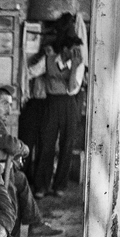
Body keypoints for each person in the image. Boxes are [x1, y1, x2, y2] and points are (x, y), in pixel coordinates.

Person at [0, 85, 63, 237]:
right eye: (5, 104)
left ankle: (35, 223)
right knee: (13, 187)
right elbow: (9, 144)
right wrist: (24, 149)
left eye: (10, 105)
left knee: (21, 178)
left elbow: (2, 145)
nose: (9, 110)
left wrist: (13, 158)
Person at [28, 13, 86, 198]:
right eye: (73, 49)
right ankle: (41, 186)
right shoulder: (49, 59)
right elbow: (30, 72)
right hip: (51, 104)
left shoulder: (78, 64)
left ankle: (59, 185)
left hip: (69, 103)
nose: (76, 52)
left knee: (66, 144)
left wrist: (75, 67)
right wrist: (38, 57)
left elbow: (72, 89)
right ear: (65, 48)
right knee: (46, 143)